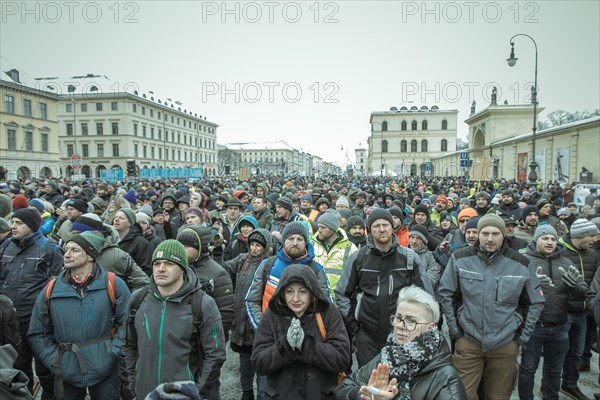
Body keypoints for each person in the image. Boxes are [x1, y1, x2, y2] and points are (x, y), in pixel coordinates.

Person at [439, 213, 545, 400]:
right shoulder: (460, 259)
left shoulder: (520, 263)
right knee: (461, 395)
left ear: (503, 235)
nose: (489, 238)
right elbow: (447, 294)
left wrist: (520, 337)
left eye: (495, 233)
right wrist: (456, 331)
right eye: (485, 233)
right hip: (469, 340)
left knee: (498, 395)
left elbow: (535, 302)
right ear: (477, 234)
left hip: (505, 342)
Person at [27, 231, 130, 400]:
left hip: (105, 367)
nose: (66, 254)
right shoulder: (51, 289)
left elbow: (127, 325)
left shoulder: (113, 284)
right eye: (66, 249)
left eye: (74, 250)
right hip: (66, 367)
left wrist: (112, 354)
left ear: (90, 256)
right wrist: (55, 360)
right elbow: (37, 331)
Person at [121, 240, 226, 400]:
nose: (161, 269)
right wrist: (131, 390)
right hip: (143, 394)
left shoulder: (202, 304)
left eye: (169, 264)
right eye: (157, 263)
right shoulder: (138, 299)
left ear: (183, 268)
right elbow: (128, 346)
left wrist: (197, 392)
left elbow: (215, 354)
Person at [335, 285, 467, 400]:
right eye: (398, 318)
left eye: (411, 321)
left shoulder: (446, 379)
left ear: (430, 328)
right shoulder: (389, 356)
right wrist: (365, 395)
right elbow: (344, 387)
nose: (400, 326)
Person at [335, 209, 426, 366]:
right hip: (367, 336)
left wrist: (416, 326)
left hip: (401, 334)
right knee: (370, 382)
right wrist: (353, 325)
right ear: (369, 230)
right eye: (376, 225)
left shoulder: (409, 258)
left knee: (399, 382)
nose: (382, 229)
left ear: (392, 228)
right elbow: (342, 293)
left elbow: (424, 296)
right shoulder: (358, 258)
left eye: (385, 224)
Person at [251, 264, 351, 400]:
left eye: (303, 291)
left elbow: (342, 358)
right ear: (282, 292)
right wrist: (285, 346)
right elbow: (259, 362)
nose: (296, 298)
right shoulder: (271, 315)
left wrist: (307, 345)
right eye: (290, 291)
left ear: (312, 292)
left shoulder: (328, 313)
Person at [519, 225, 588, 400]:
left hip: (559, 327)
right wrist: (531, 286)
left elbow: (583, 292)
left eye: (553, 239)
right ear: (536, 240)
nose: (550, 242)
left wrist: (575, 287)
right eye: (545, 238)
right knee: (527, 370)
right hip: (533, 327)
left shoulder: (566, 262)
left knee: (554, 371)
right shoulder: (523, 260)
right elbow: (512, 294)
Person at [0, 208, 63, 399]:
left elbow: (57, 284)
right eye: (13, 222)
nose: (13, 226)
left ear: (32, 225)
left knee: (46, 370)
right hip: (11, 321)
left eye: (19, 223)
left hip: (38, 321)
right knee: (17, 367)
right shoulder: (5, 247)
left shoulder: (50, 249)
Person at [222, 229, 272, 400]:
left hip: (260, 323)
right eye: (252, 244)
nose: (255, 248)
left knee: (263, 365)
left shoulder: (269, 264)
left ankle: (262, 395)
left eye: (258, 245)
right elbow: (224, 267)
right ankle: (247, 393)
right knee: (245, 364)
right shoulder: (242, 259)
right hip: (241, 322)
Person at [557, 218, 599, 398]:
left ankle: (569, 384)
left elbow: (595, 286)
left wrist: (591, 307)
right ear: (579, 236)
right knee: (557, 354)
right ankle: (548, 386)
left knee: (576, 353)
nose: (595, 239)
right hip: (562, 312)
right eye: (592, 235)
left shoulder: (592, 254)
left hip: (583, 313)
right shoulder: (560, 252)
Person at [312, 209, 358, 298]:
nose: (319, 230)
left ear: (333, 228)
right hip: (316, 299)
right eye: (319, 227)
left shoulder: (350, 247)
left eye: (323, 227)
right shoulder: (311, 245)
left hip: (339, 302)